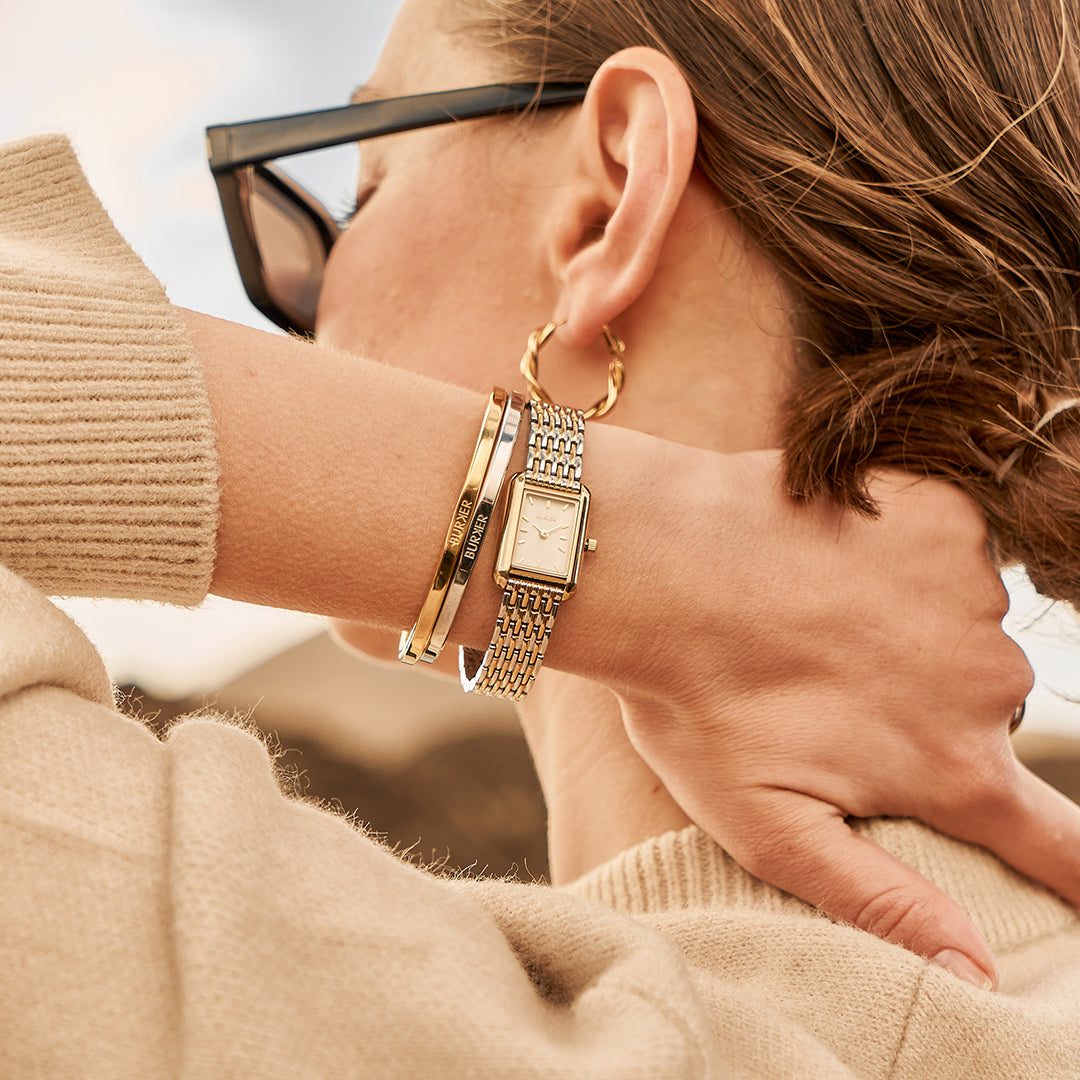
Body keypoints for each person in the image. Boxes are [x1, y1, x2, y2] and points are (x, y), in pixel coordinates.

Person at [1, 0, 1078, 1074]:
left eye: (363, 188)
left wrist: (627, 540)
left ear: (606, 206)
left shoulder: (265, 1004)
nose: (298, 308)